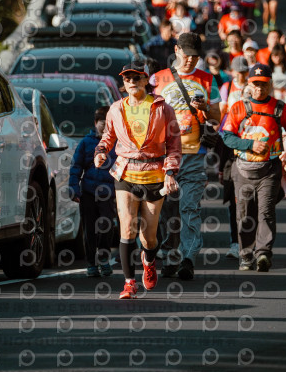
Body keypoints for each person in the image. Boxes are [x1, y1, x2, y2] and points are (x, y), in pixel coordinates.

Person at [94, 62, 181, 299]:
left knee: (148, 237)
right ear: (123, 83)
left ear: (145, 80)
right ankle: (129, 283)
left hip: (154, 174)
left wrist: (170, 172)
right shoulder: (116, 108)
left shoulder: (163, 108)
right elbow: (108, 136)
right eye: (127, 78)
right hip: (125, 173)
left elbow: (174, 144)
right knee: (127, 227)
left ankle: (149, 260)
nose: (131, 82)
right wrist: (101, 152)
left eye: (136, 77)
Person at [151, 32, 222, 279]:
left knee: (189, 207)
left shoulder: (207, 79)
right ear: (177, 50)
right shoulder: (158, 79)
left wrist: (206, 109)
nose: (191, 60)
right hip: (164, 156)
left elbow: (217, 117)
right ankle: (171, 256)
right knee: (167, 210)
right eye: (187, 55)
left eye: (195, 56)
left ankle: (188, 258)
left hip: (194, 154)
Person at [222, 63, 286, 272]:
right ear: (249, 84)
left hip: (270, 169)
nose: (259, 88)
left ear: (270, 84)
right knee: (245, 214)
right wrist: (249, 144)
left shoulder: (280, 108)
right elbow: (227, 137)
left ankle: (263, 253)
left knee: (266, 212)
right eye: (256, 84)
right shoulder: (238, 107)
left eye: (264, 84)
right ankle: (246, 256)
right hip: (243, 170)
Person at [69, 106, 117, 277]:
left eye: (108, 124)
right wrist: (74, 189)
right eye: (102, 123)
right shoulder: (86, 142)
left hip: (108, 193)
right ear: (95, 123)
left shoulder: (117, 143)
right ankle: (91, 263)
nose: (104, 127)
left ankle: (103, 259)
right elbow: (76, 167)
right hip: (88, 192)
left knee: (106, 227)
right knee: (89, 229)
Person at [217, 56, 251, 260]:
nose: (242, 74)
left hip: (250, 149)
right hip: (230, 146)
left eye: (245, 71)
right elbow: (221, 114)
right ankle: (234, 243)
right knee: (233, 200)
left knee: (249, 201)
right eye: (239, 71)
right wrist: (221, 167)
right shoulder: (227, 87)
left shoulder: (254, 89)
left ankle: (250, 243)